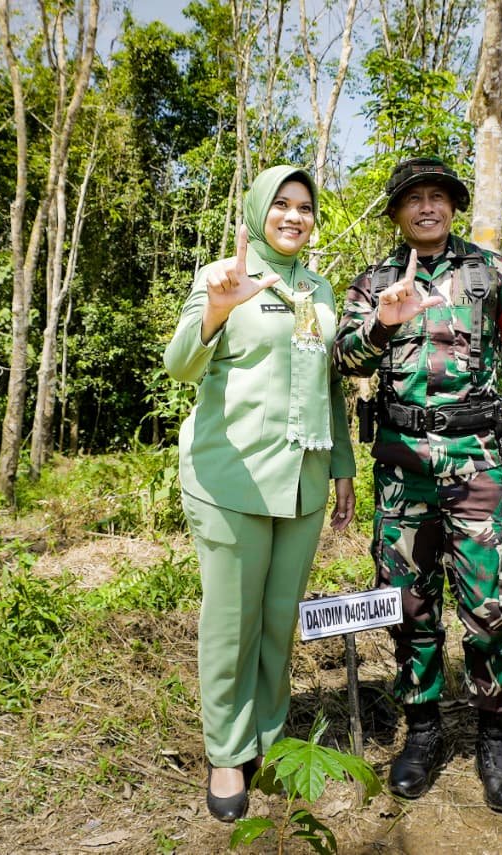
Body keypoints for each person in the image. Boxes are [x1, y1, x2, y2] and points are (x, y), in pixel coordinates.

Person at [333, 156, 502, 813]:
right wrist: (383, 322)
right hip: (403, 468)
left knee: (490, 605)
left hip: (476, 461)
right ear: (397, 212)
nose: (427, 207)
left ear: (453, 206)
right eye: (413, 199)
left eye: (438, 197)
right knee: (408, 605)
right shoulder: (374, 281)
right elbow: (343, 355)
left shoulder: (492, 271)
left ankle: (496, 739)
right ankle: (423, 729)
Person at [164, 165, 356, 821]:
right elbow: (180, 364)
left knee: (278, 618)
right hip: (231, 478)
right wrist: (219, 308)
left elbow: (328, 385)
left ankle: (268, 736)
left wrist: (342, 467)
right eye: (281, 204)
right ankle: (226, 750)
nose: (294, 216)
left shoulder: (318, 289)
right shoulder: (223, 274)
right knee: (232, 621)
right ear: (256, 210)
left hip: (303, 481)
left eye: (305, 206)